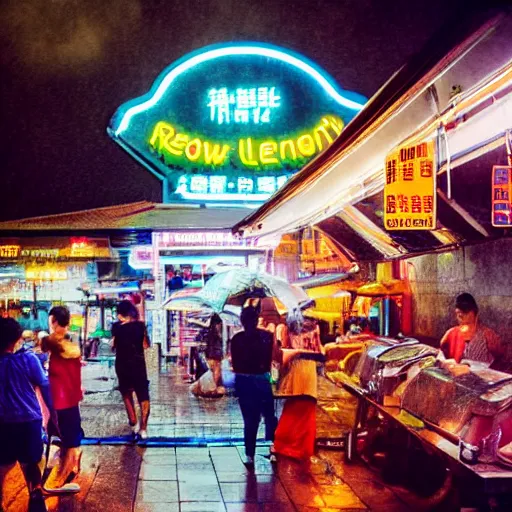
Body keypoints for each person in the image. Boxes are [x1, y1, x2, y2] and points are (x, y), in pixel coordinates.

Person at [0, 318, 56, 511]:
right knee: (32, 462)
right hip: (28, 421)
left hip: (3, 422)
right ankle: (36, 495)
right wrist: (53, 416)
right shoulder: (28, 359)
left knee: (2, 466)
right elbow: (45, 386)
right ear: (17, 339)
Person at [42, 306, 83, 493]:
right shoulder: (72, 338)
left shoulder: (56, 340)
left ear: (54, 321)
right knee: (67, 435)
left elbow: (44, 343)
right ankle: (71, 462)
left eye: (51, 322)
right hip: (69, 395)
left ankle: (60, 480)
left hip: (62, 397)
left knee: (68, 438)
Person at [273, 318, 325, 461]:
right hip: (308, 371)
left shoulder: (284, 328)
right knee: (306, 408)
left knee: (294, 406)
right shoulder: (315, 328)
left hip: (294, 370)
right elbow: (321, 354)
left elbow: (281, 351)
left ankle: (286, 446)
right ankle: (300, 448)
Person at [230, 305, 277, 465]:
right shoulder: (267, 337)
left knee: (250, 420)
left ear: (242, 321)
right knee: (269, 417)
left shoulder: (236, 339)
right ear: (257, 320)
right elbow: (272, 359)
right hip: (262, 380)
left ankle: (249, 454)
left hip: (243, 382)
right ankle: (273, 449)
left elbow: (235, 364)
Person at [112, 300, 151, 440]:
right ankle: (143, 428)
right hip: (138, 364)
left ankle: (133, 421)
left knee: (126, 392)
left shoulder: (116, 327)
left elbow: (113, 345)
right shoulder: (140, 326)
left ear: (120, 314)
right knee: (143, 396)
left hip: (122, 364)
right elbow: (146, 345)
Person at [440, 293, 503, 367]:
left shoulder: (487, 334)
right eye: (458, 313)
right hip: (458, 374)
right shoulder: (451, 333)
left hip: (481, 374)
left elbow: (499, 356)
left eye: (465, 312)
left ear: (475, 313)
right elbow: (443, 349)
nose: (461, 316)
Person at [204, 313, 224, 392]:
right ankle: (213, 391)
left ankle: (211, 390)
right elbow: (214, 347)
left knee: (213, 374)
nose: (220, 326)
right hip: (214, 357)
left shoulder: (210, 333)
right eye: (219, 324)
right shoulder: (214, 334)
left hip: (211, 356)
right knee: (215, 374)